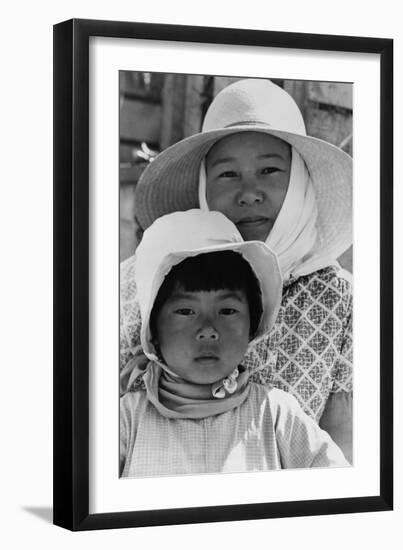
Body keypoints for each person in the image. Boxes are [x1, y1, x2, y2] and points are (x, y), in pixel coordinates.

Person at [120, 78, 353, 462]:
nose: (249, 193)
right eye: (227, 174)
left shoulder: (340, 297)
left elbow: (344, 444)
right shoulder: (141, 280)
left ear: (300, 182)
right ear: (202, 185)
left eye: (271, 171)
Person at [120, 210, 349, 478]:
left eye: (227, 311)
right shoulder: (126, 420)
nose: (207, 330)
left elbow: (339, 489)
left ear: (252, 325)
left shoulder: (275, 414)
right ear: (153, 329)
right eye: (185, 311)